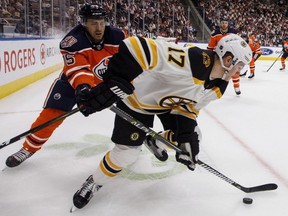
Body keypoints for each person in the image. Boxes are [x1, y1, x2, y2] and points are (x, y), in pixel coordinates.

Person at [70, 34, 252, 210]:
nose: (239, 71)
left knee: (193, 138)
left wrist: (186, 136)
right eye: (240, 66)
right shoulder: (194, 61)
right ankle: (95, 182)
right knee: (126, 154)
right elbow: (136, 47)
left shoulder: (219, 86)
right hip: (137, 101)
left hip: (167, 105)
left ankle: (154, 141)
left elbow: (189, 107)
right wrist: (114, 81)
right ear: (228, 60)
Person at [5, 3, 127, 168]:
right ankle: (29, 147)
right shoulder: (72, 41)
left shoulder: (118, 36)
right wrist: (84, 89)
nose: (99, 27)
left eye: (101, 22)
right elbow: (79, 70)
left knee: (135, 105)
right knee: (52, 113)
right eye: (93, 23)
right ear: (84, 23)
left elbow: (130, 60)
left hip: (106, 81)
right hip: (73, 82)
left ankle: (135, 139)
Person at [207, 17, 241, 95]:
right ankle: (212, 87)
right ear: (220, 24)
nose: (224, 24)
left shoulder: (233, 32)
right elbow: (211, 47)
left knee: (234, 71)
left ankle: (237, 87)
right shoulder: (215, 33)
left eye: (225, 23)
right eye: (222, 23)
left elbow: (238, 43)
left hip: (231, 55)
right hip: (219, 55)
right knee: (216, 72)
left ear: (228, 24)